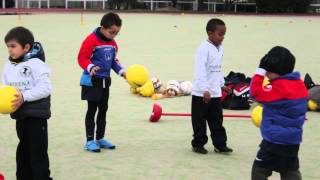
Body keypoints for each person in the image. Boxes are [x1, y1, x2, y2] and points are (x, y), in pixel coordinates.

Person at [1, 26, 52, 180]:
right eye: (8, 46)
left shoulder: (36, 64)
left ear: (26, 47)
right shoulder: (8, 65)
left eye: (13, 46)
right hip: (20, 115)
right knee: (23, 149)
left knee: (38, 152)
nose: (9, 50)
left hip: (37, 116)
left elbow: (45, 88)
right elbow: (4, 87)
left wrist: (24, 96)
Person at [250, 46, 308, 180]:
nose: (267, 74)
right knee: (289, 170)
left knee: (259, 170)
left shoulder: (279, 87)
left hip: (274, 141)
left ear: (277, 71)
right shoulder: (299, 84)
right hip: (293, 140)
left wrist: (260, 70)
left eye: (268, 71)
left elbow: (255, 93)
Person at [78, 12, 126, 153]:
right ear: (103, 28)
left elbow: (113, 62)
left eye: (117, 33)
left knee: (103, 110)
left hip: (105, 82)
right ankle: (89, 141)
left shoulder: (113, 44)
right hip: (91, 82)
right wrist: (90, 67)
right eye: (112, 32)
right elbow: (82, 58)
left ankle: (100, 138)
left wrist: (122, 71)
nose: (114, 35)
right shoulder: (91, 40)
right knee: (92, 110)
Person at [191, 18, 233, 154]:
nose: (222, 38)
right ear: (210, 33)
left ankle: (220, 144)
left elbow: (217, 69)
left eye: (224, 34)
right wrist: (204, 90)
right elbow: (200, 71)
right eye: (220, 34)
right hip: (201, 94)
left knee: (217, 120)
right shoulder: (203, 49)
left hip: (215, 93)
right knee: (199, 121)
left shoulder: (221, 49)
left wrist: (222, 84)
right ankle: (198, 144)